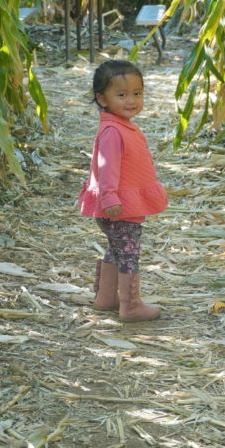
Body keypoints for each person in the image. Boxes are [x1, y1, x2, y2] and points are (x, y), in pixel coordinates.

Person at [78, 60, 168, 321]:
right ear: (102, 99)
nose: (131, 100)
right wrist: (109, 198)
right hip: (119, 207)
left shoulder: (120, 126)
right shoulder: (112, 132)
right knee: (129, 254)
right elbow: (107, 168)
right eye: (121, 95)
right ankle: (131, 306)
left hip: (119, 205)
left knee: (116, 249)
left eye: (137, 93)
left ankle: (105, 298)